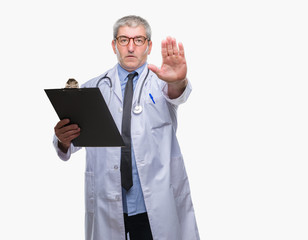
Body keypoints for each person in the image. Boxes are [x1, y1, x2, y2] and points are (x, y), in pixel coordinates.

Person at [53, 15, 200, 240]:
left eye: (139, 40)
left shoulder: (163, 83)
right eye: (124, 40)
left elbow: (177, 94)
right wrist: (63, 139)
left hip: (154, 205)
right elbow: (70, 145)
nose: (131, 47)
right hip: (110, 203)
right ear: (114, 45)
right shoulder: (93, 87)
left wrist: (178, 80)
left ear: (149, 46)